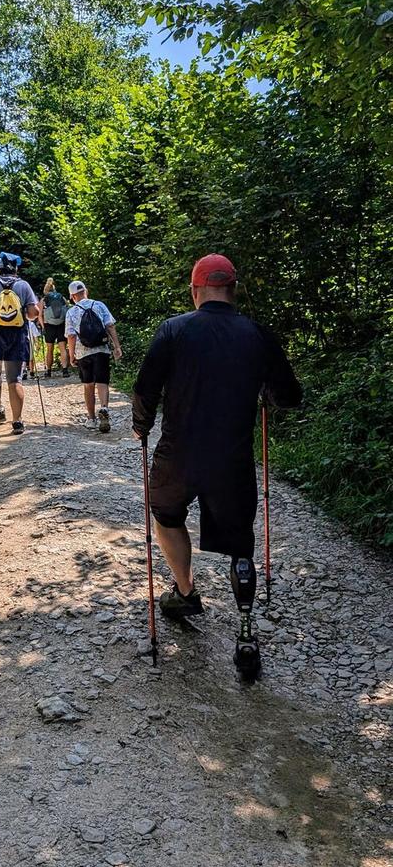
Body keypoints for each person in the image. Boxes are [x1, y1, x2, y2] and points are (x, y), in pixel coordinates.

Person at [131, 253, 302, 675]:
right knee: (240, 544)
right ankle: (246, 633)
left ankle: (185, 591)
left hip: (178, 453)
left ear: (196, 290)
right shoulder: (257, 335)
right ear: (233, 289)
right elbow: (289, 396)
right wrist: (267, 394)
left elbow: (145, 388)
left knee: (166, 514)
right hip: (232, 459)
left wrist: (141, 426)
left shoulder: (173, 330)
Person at [0, 252, 39, 435]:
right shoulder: (23, 285)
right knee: (15, 379)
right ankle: (17, 421)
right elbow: (33, 312)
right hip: (17, 335)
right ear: (15, 268)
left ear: (0, 266)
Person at [65, 280, 122, 433]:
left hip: (83, 352)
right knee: (103, 382)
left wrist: (71, 355)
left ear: (72, 297)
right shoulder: (99, 305)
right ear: (86, 291)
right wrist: (117, 346)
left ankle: (91, 419)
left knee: (88, 385)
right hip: (102, 350)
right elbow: (110, 325)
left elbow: (70, 336)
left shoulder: (71, 312)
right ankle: (104, 408)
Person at [39, 278, 70, 378]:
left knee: (49, 349)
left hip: (49, 326)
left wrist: (43, 326)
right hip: (61, 325)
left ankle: (48, 371)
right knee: (63, 348)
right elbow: (67, 310)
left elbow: (40, 315)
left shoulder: (43, 300)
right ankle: (65, 370)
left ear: (46, 290)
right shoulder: (62, 298)